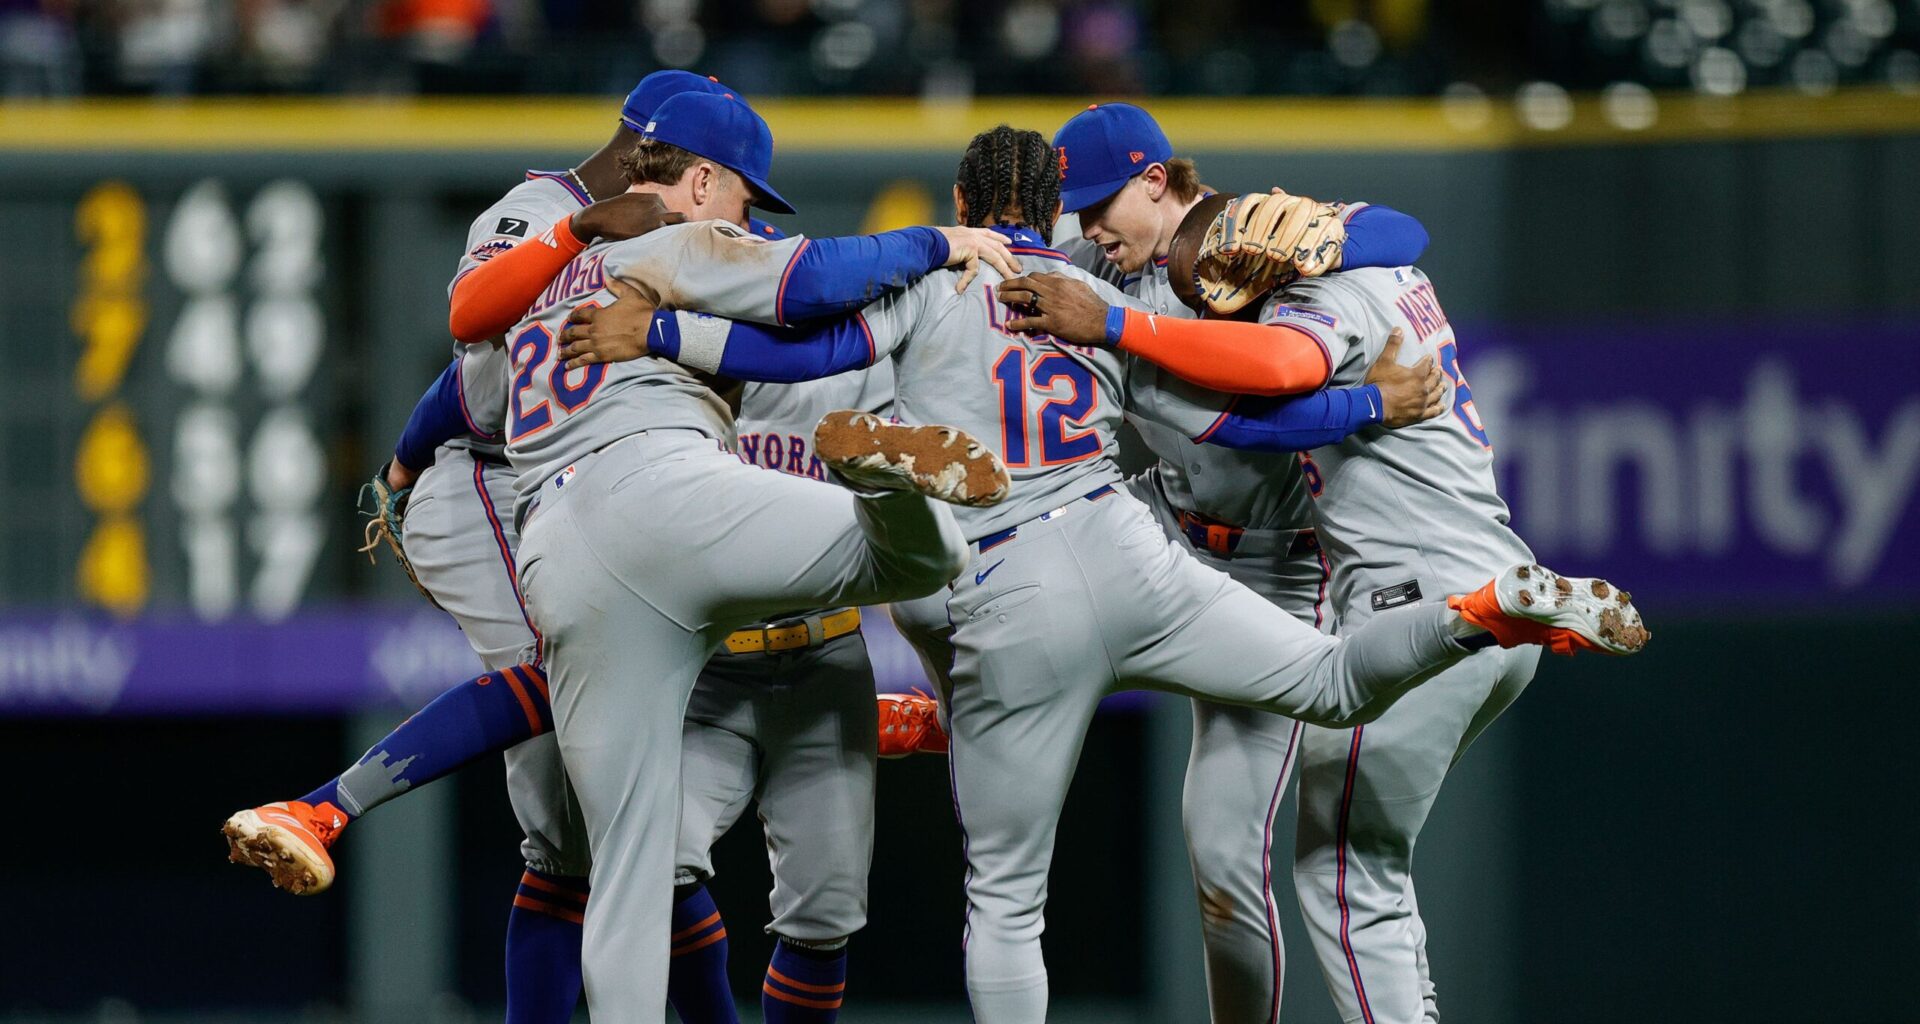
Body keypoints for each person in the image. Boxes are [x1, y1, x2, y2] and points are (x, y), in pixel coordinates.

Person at [552, 123, 1648, 1024]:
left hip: (1007, 578)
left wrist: (670, 338)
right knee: (1328, 687)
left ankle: (895, 504)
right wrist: (1370, 405)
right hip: (1133, 555)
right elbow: (1241, 416)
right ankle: (1486, 610)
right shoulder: (1111, 305)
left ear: (961, 200)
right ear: (1053, 213)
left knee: (1009, 896)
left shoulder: (953, 275)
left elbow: (807, 348)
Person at [999, 188, 1653, 1024]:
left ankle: (1491, 608)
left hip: (1401, 594)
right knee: (1365, 863)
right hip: (1451, 572)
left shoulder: (1318, 300)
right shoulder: (1386, 271)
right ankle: (1504, 604)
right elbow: (1396, 230)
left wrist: (1126, 327)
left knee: (1342, 869)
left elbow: (1278, 375)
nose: (1227, 277)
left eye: (1245, 261)